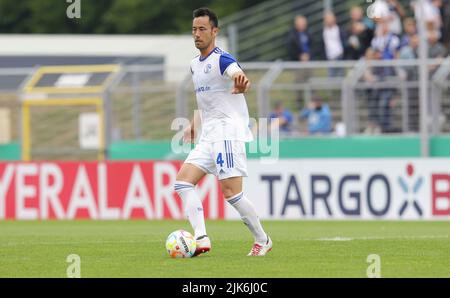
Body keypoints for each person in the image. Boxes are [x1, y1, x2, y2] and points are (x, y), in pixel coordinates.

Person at [174, 7, 272, 257]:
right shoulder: (195, 65)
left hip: (228, 133)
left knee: (231, 193)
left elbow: (238, 74)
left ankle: (263, 239)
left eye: (202, 29)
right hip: (209, 134)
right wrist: (196, 121)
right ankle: (201, 237)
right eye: (194, 29)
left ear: (214, 31)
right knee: (183, 182)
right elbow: (206, 99)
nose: (197, 34)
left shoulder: (222, 58)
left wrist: (241, 82)